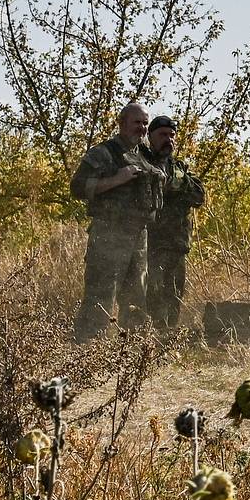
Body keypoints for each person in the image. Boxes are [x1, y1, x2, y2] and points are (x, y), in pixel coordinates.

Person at [69, 102, 166, 342]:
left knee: (136, 298)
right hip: (109, 234)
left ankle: (131, 355)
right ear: (122, 123)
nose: (142, 128)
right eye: (137, 122)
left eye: (145, 123)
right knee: (100, 296)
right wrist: (116, 179)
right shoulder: (103, 153)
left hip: (138, 235)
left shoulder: (145, 155)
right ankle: (85, 353)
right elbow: (77, 187)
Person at [143, 115, 206, 329]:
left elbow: (198, 195)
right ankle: (147, 344)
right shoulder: (141, 161)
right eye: (162, 135)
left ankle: (167, 342)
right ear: (150, 136)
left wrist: (177, 185)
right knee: (151, 295)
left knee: (174, 296)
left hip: (176, 245)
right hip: (149, 243)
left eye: (171, 135)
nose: (168, 139)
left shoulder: (178, 167)